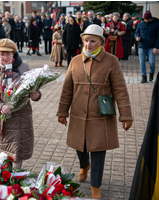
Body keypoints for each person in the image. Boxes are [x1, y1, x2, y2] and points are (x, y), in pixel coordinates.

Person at [57, 24, 133, 199]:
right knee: (80, 147)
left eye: (92, 41)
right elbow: (67, 88)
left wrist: (126, 114)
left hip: (101, 115)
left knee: (98, 151)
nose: (88, 44)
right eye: (85, 40)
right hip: (78, 113)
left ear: (101, 41)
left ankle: (95, 187)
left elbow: (120, 89)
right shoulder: (75, 60)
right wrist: (62, 111)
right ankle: (84, 165)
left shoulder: (111, 61)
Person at [0, 38, 41, 169]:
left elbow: (34, 86)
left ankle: (14, 179)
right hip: (1, 119)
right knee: (5, 152)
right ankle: (8, 177)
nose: (5, 57)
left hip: (21, 117)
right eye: (1, 54)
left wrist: (36, 94)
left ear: (14, 54)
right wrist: (0, 106)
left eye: (8, 54)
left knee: (17, 152)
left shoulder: (24, 67)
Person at [135, 11, 159, 83]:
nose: (146, 20)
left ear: (150, 18)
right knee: (142, 62)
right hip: (142, 46)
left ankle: (151, 73)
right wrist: (136, 37)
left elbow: (158, 36)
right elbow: (136, 33)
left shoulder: (156, 25)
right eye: (145, 19)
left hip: (152, 46)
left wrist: (156, 47)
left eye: (147, 19)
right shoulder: (140, 24)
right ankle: (144, 76)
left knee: (152, 62)